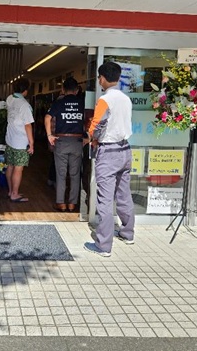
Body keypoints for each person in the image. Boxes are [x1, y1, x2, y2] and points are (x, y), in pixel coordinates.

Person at [84, 61, 135, 257]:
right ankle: (127, 233)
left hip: (109, 151)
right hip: (125, 150)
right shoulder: (125, 99)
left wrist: (92, 138)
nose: (99, 81)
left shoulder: (105, 100)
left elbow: (96, 125)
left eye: (99, 78)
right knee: (123, 193)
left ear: (102, 78)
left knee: (104, 199)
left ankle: (103, 245)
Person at [45, 77, 85, 212]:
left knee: (61, 174)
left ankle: (61, 203)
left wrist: (49, 135)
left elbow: (47, 117)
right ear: (77, 90)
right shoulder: (82, 103)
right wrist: (89, 137)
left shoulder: (59, 103)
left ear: (63, 89)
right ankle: (72, 203)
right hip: (77, 142)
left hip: (61, 141)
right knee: (75, 174)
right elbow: (90, 120)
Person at [5, 78, 34, 203]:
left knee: (10, 166)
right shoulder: (25, 105)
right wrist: (31, 143)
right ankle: (15, 194)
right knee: (18, 168)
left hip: (10, 139)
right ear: (25, 90)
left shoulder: (9, 99)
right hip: (20, 142)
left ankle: (11, 191)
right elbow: (28, 125)